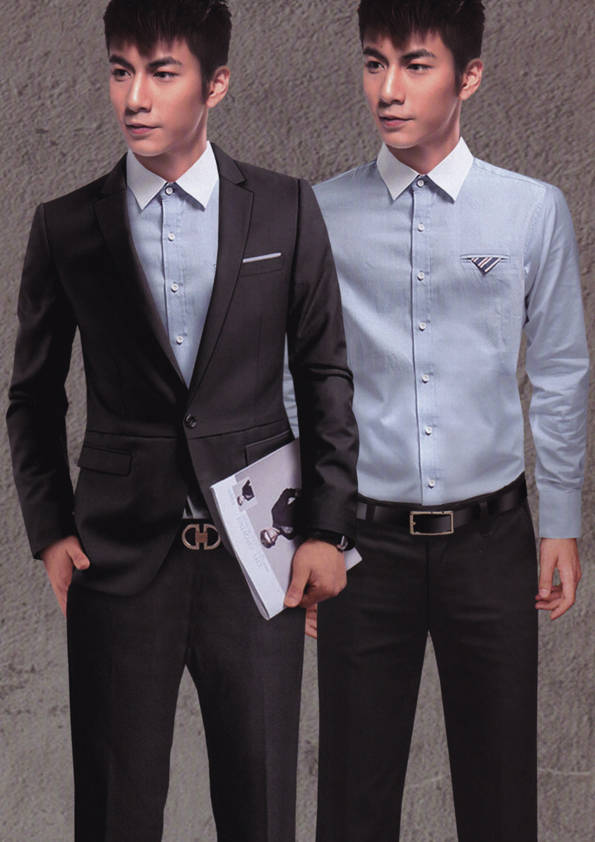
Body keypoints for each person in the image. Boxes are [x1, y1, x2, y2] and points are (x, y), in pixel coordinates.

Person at [6, 1, 358, 840]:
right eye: (121, 71)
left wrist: (325, 529)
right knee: (115, 812)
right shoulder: (66, 225)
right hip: (120, 558)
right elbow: (33, 394)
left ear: (215, 84)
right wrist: (50, 530)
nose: (135, 96)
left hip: (257, 564)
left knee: (261, 808)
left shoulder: (284, 209)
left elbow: (324, 375)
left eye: (161, 73)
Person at [285, 0, 589, 839]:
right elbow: (292, 384)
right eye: (373, 61)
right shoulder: (317, 215)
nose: (387, 88)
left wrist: (560, 521)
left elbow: (558, 371)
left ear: (469, 76)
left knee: (500, 801)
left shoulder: (530, 211)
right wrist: (304, 532)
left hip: (492, 543)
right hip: (361, 547)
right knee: (352, 801)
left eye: (415, 64)